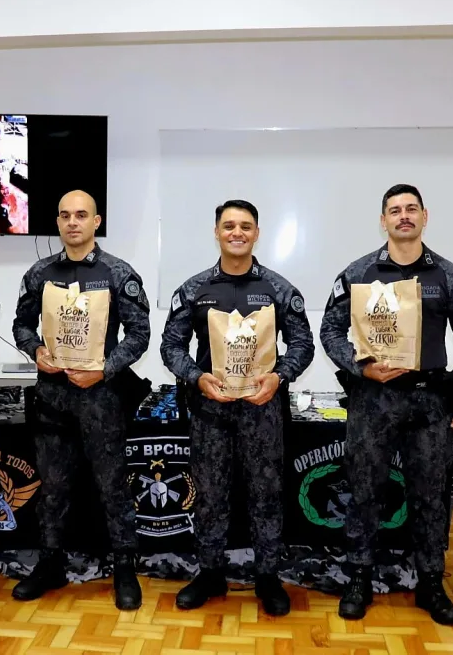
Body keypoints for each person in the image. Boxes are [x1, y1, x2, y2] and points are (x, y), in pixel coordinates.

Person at [320, 184, 453, 625]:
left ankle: (430, 582)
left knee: (430, 495)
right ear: (383, 220)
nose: (404, 216)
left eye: (412, 209)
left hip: (430, 403)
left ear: (425, 217)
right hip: (373, 400)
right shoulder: (359, 273)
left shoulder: (447, 276)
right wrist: (361, 367)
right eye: (395, 210)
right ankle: (358, 577)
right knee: (364, 491)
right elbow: (330, 331)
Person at [161, 199, 314, 617]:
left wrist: (279, 376)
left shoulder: (279, 289)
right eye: (229, 225)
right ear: (216, 232)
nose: (237, 233)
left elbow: (302, 344)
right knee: (210, 496)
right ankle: (210, 573)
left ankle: (267, 577)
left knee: (266, 496)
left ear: (257, 234)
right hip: (210, 412)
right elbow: (171, 346)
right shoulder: (193, 290)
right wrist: (196, 377)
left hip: (262, 410)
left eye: (245, 226)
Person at [10, 190, 150, 610]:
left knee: (112, 486)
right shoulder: (40, 273)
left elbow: (139, 335)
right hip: (53, 398)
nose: (73, 222)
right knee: (53, 486)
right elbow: (20, 325)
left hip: (101, 399)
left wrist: (104, 369)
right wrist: (35, 350)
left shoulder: (117, 273)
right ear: (58, 222)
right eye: (66, 215)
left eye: (81, 215)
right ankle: (50, 563)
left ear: (96, 222)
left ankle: (124, 567)